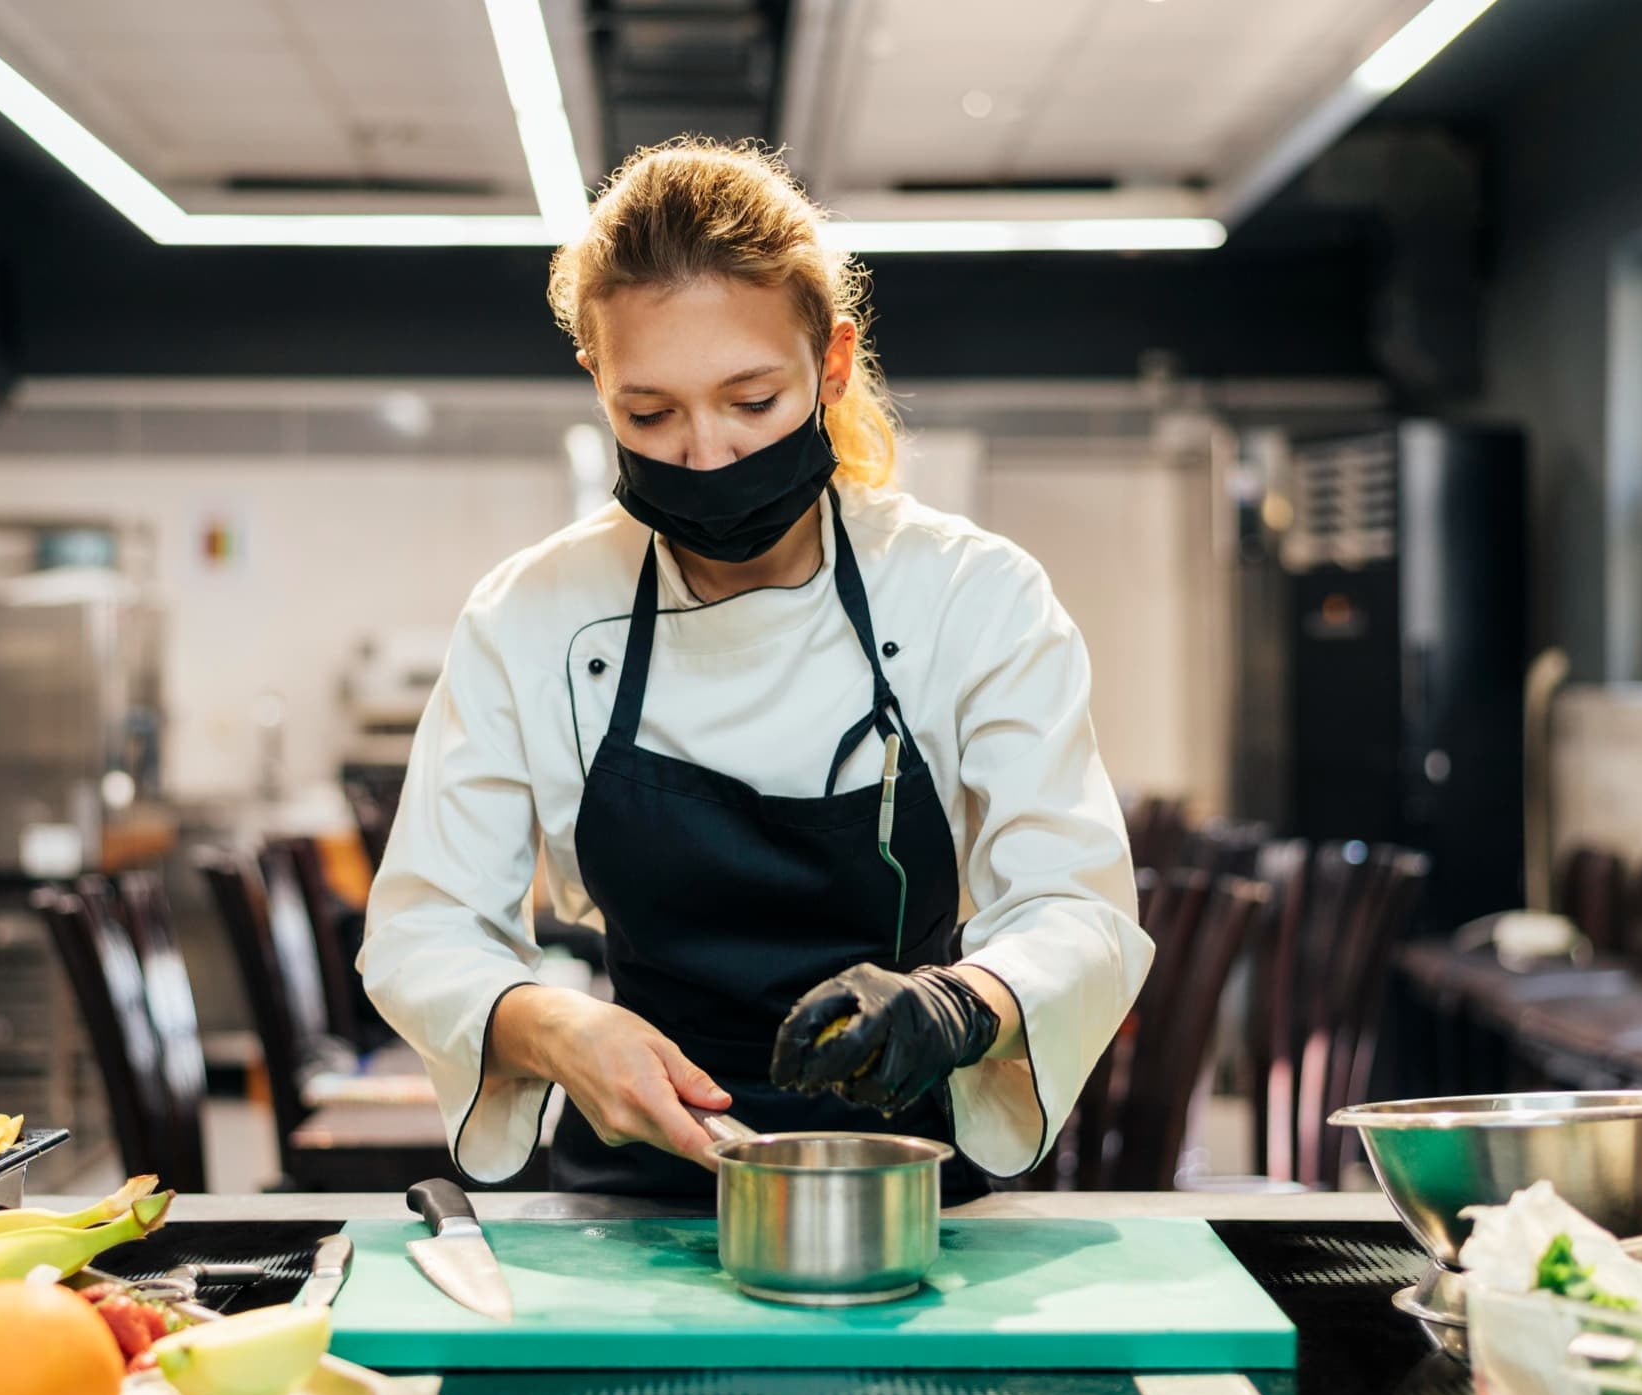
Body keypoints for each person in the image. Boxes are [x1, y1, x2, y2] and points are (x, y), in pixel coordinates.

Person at [359, 140, 1153, 1197]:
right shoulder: (532, 615)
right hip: (627, 1204)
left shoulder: (971, 595)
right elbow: (424, 926)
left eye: (752, 401)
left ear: (829, 364)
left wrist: (959, 1004)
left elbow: (1080, 908)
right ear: (597, 384)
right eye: (650, 413)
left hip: (911, 1193)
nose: (707, 451)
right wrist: (552, 1027)